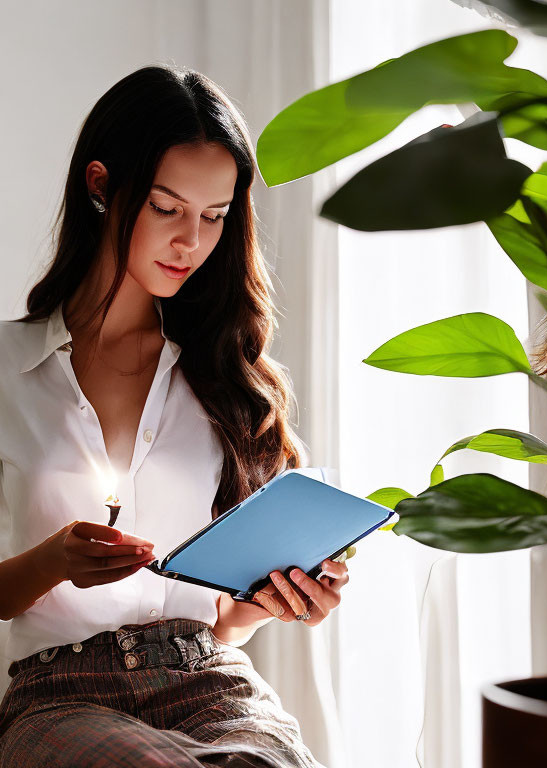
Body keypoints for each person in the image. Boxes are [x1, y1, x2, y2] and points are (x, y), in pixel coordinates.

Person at [0, 64, 348, 768]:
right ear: (102, 186)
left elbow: (223, 621)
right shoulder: (8, 369)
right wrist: (55, 562)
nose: (192, 241)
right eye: (168, 208)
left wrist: (274, 597)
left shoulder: (221, 376)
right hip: (61, 698)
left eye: (215, 217)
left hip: (209, 685)